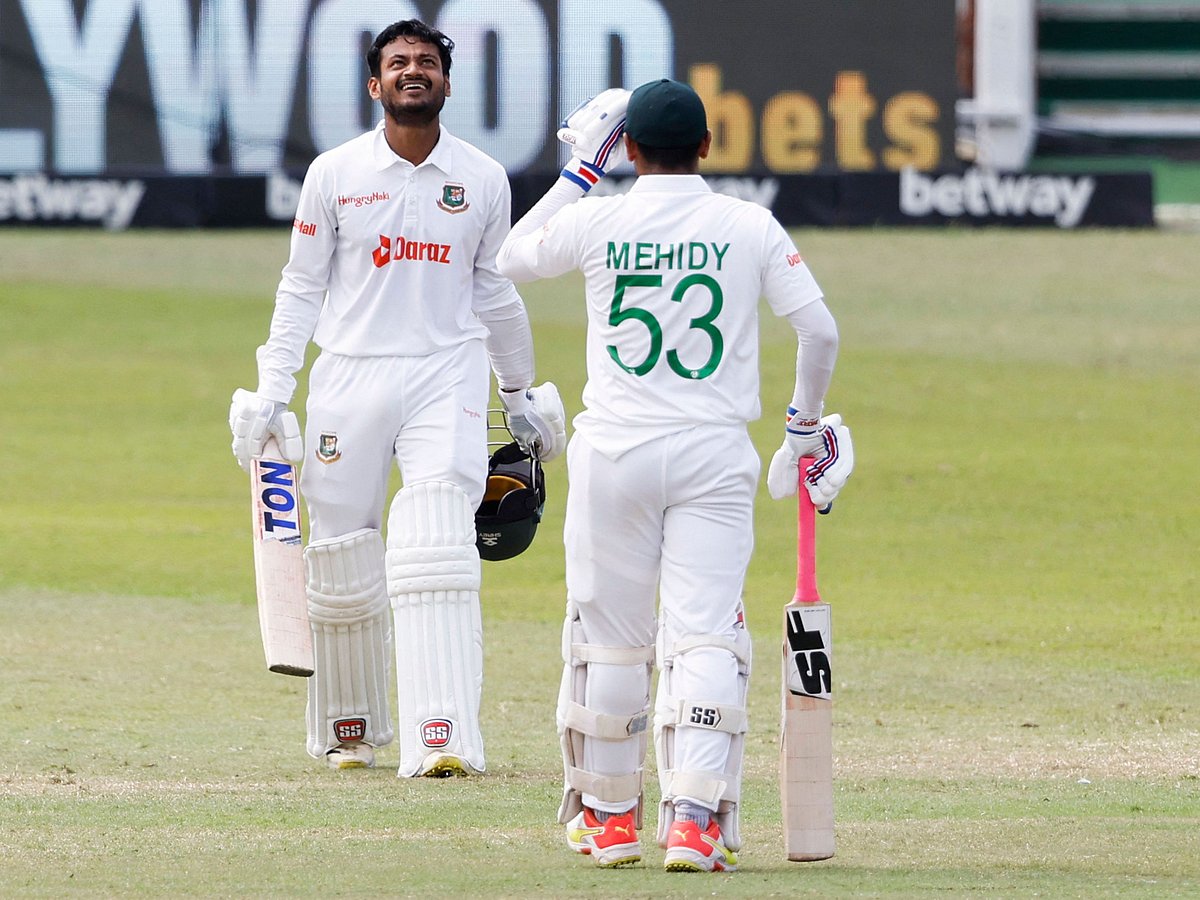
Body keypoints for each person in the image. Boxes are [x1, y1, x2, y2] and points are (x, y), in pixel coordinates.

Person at [496, 79, 853, 872]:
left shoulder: (597, 217)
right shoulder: (748, 223)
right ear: (707, 146)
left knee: (613, 644)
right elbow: (818, 330)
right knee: (703, 635)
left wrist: (576, 176)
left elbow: (509, 258)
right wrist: (801, 425)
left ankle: (612, 821)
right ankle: (691, 820)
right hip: (713, 455)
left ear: (626, 150)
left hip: (614, 453)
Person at [228, 19, 565, 779]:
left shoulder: (481, 176)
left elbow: (494, 291)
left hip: (446, 370)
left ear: (447, 81)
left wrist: (516, 391)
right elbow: (302, 284)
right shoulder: (334, 172)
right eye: (398, 63)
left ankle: (442, 735)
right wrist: (272, 387)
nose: (414, 71)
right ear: (375, 84)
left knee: (437, 532)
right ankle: (352, 728)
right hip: (349, 374)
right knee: (343, 550)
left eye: (427, 63)